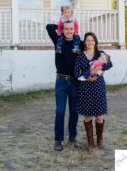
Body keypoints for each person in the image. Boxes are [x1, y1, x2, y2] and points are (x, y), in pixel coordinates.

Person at [46, 21, 83, 151]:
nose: (69, 31)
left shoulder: (79, 43)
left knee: (74, 111)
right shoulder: (58, 40)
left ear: (74, 30)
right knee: (60, 111)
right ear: (63, 30)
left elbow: (92, 49)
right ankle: (58, 140)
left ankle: (72, 138)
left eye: (71, 29)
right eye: (66, 29)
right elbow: (49, 27)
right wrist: (59, 26)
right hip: (61, 82)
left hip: (75, 82)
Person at [74, 32, 113, 150]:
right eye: (88, 40)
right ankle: (90, 142)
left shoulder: (100, 54)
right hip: (85, 89)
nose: (90, 42)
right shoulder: (80, 56)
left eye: (92, 40)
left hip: (98, 88)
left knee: (99, 117)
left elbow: (110, 64)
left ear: (95, 42)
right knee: (87, 117)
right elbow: (77, 73)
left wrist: (100, 67)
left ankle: (100, 140)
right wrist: (88, 76)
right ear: (85, 42)